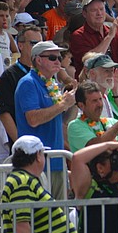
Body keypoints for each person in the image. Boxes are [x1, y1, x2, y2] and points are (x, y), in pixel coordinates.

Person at [0, 136, 77, 233]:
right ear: (37, 156)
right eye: (43, 154)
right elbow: (21, 227)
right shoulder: (21, 181)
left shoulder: (25, 180)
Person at [15, 41, 75, 198]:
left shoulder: (51, 83)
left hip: (56, 162)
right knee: (40, 217)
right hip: (36, 164)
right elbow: (33, 119)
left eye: (59, 57)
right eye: (52, 57)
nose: (58, 61)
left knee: (58, 218)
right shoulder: (28, 83)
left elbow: (59, 119)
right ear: (38, 60)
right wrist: (62, 104)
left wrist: (72, 103)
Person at [67, 82, 118, 151]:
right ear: (81, 105)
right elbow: (96, 147)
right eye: (94, 101)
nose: (99, 104)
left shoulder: (111, 122)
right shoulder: (75, 125)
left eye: (100, 99)